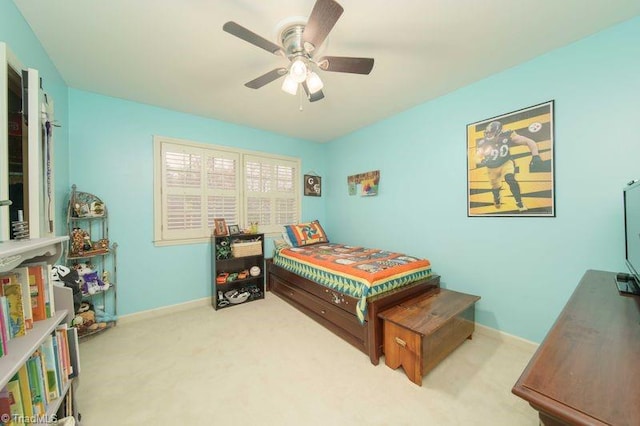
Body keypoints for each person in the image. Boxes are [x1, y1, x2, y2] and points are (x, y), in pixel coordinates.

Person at [475, 121, 543, 212]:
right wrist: (481, 161)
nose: (488, 135)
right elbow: (477, 156)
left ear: (498, 132)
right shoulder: (483, 142)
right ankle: (496, 196)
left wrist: (535, 156)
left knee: (510, 179)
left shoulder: (507, 135)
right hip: (492, 168)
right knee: (495, 187)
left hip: (505, 163)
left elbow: (529, 141)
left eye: (491, 133)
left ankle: (519, 202)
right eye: (487, 133)